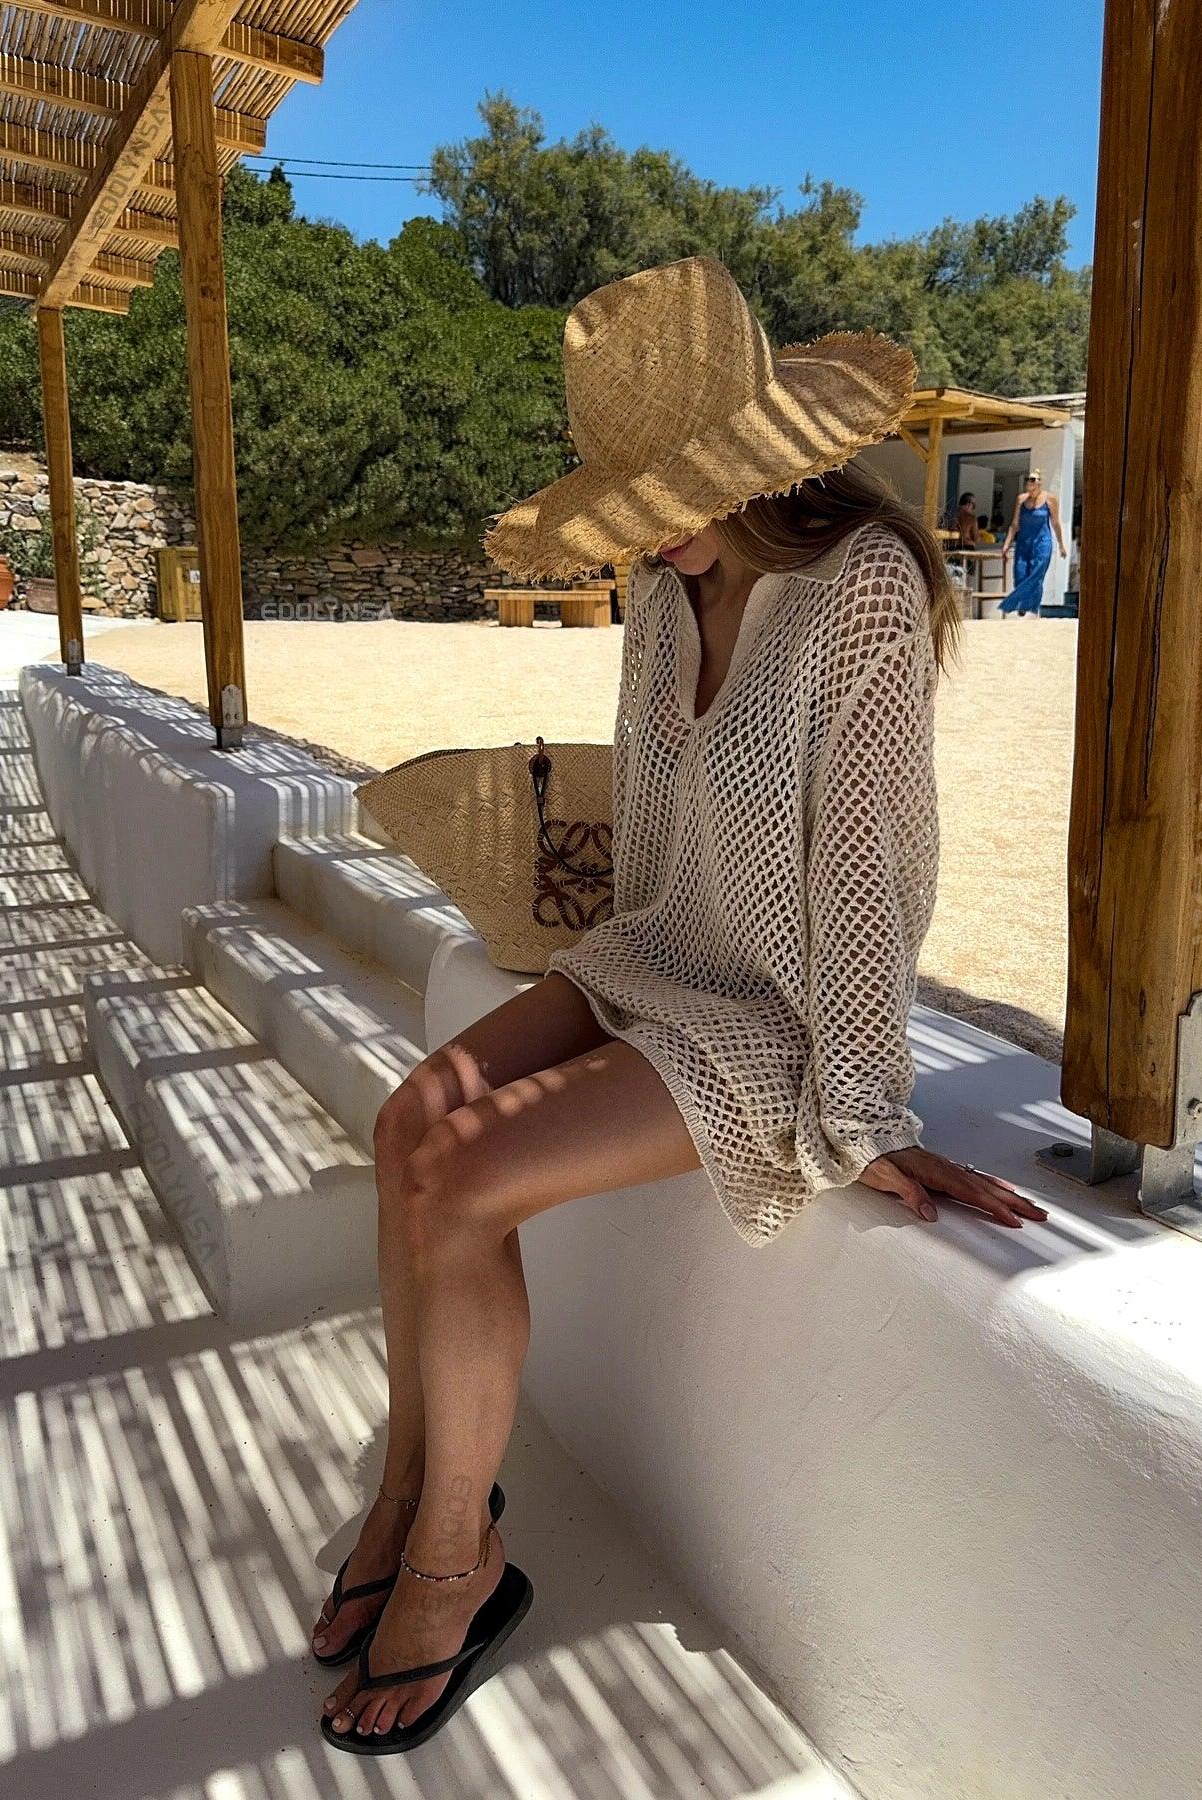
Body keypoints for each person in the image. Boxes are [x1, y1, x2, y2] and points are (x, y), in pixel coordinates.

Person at [313, 256, 1047, 1756]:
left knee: (462, 1177)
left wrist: (861, 1115)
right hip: (657, 954)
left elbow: (864, 866)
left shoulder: (862, 587)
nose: (651, 526)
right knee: (408, 1124)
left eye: (672, 491)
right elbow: (653, 828)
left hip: (773, 1014)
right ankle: (410, 1486)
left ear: (757, 460)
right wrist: (597, 991)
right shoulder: (664, 587)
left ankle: (457, 1557)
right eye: (633, 497)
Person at [999, 469, 1068, 615]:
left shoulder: (1050, 499)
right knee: (1020, 574)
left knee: (1036, 574)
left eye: (1033, 479)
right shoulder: (1021, 499)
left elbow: (1055, 523)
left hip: (1042, 543)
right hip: (1023, 543)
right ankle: (1024, 603)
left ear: (1039, 483)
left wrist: (1061, 545)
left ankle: (1030, 607)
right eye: (1028, 479)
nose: (1029, 482)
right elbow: (1014, 524)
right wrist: (1006, 544)